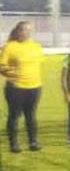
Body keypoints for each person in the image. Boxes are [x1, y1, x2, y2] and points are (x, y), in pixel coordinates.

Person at [0, 21, 44, 153]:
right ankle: (14, 144)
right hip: (16, 88)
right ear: (18, 31)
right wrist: (11, 73)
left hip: (35, 87)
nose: (27, 33)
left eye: (29, 30)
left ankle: (33, 142)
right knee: (14, 116)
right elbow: (1, 66)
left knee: (31, 115)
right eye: (24, 30)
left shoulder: (36, 46)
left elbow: (37, 64)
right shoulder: (9, 46)